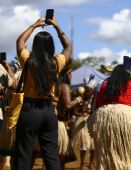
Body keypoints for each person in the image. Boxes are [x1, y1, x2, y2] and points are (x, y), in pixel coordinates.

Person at [13, 16, 72, 170]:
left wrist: (34, 25)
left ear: (36, 45)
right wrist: (57, 27)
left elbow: (20, 42)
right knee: (51, 155)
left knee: (23, 154)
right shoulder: (56, 62)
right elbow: (68, 48)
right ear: (51, 46)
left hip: (29, 110)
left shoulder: (28, 59)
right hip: (48, 111)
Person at [91, 58, 131, 170]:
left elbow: (95, 104)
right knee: (126, 146)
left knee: (108, 146)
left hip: (105, 116)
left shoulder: (104, 83)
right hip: (126, 116)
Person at [56, 61, 83, 169]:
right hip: (59, 123)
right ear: (67, 74)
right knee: (62, 155)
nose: (72, 76)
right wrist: (78, 99)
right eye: (71, 73)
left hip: (49, 121)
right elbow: (67, 105)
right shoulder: (65, 86)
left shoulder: (54, 84)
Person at [71, 79, 96, 169]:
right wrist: (81, 114)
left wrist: (90, 113)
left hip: (92, 122)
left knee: (93, 145)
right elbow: (75, 111)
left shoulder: (95, 99)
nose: (88, 91)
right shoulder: (81, 98)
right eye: (87, 89)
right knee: (83, 145)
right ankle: (82, 164)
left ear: (93, 90)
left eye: (89, 89)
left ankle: (92, 162)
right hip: (82, 123)